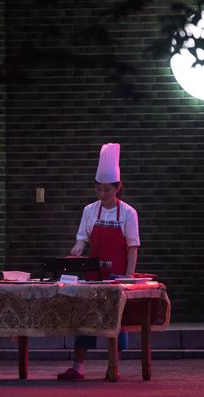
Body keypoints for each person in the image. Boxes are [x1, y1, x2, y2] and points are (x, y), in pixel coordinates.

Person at [57, 142, 140, 380]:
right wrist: (76, 249)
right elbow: (82, 239)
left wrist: (129, 277)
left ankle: (113, 366)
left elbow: (132, 247)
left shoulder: (128, 213)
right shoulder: (90, 210)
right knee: (85, 318)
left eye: (106, 190)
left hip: (117, 276)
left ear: (118, 188)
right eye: (98, 190)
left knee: (117, 322)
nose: (102, 195)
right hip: (93, 273)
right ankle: (78, 367)